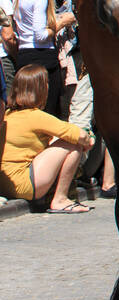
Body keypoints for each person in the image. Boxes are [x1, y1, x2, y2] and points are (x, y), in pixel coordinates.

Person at [0, 64, 94, 212]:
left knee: (58, 141)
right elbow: (80, 135)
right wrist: (88, 140)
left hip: (5, 184)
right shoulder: (36, 116)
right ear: (40, 89)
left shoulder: (8, 114)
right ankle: (60, 199)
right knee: (73, 145)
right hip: (25, 184)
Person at [12, 0, 75, 116]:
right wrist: (63, 21)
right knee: (47, 115)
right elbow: (40, 35)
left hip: (24, 57)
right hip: (42, 61)